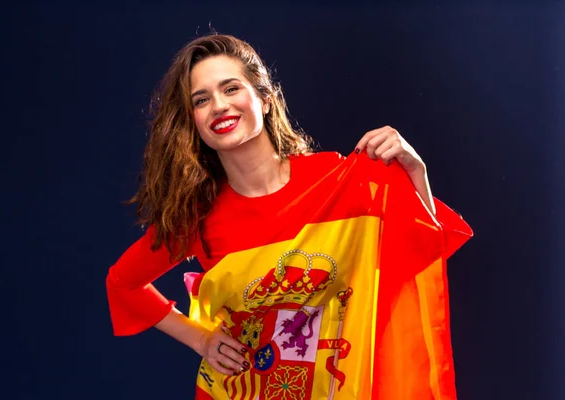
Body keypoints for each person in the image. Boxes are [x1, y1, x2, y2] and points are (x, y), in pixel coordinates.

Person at [106, 33, 473, 399]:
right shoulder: (197, 218)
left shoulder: (336, 181)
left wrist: (416, 172)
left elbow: (421, 246)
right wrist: (201, 339)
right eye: (202, 100)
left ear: (264, 99)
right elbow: (123, 283)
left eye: (231, 88)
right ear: (194, 121)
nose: (218, 106)